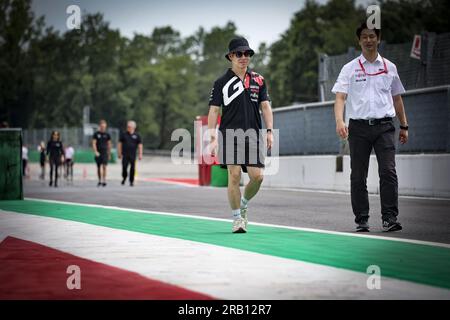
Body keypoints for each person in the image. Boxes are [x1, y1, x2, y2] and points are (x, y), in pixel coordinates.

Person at [332, 22, 409, 232]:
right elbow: (340, 97)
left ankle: (390, 218)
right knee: (358, 175)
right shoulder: (349, 68)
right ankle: (362, 219)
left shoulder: (389, 67)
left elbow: (397, 99)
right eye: (364, 37)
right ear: (359, 41)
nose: (368, 40)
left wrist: (404, 125)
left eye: (372, 36)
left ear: (378, 39)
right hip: (358, 128)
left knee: (388, 171)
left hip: (385, 126)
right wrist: (340, 121)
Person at [207, 37, 273, 233]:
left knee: (258, 176)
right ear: (230, 56)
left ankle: (243, 203)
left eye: (247, 54)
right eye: (239, 54)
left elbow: (266, 107)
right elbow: (213, 110)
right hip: (229, 134)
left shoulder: (258, 80)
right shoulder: (221, 82)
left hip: (253, 134)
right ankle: (237, 219)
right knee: (234, 176)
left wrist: (269, 131)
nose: (244, 57)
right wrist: (211, 136)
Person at [118, 120, 143, 187]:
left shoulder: (137, 135)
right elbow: (120, 144)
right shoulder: (124, 135)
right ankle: (124, 177)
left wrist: (140, 154)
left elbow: (140, 145)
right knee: (124, 167)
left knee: (132, 168)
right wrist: (119, 153)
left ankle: (131, 181)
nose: (128, 127)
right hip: (125, 154)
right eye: (127, 126)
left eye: (129, 126)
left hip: (133, 155)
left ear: (133, 127)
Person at [92, 120, 112, 187]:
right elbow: (94, 143)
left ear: (105, 127)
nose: (103, 127)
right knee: (98, 167)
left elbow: (109, 144)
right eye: (101, 126)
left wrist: (109, 153)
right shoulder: (96, 134)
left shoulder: (107, 135)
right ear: (100, 126)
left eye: (104, 126)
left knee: (104, 166)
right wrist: (95, 151)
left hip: (105, 152)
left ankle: (104, 180)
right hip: (98, 152)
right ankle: (99, 180)